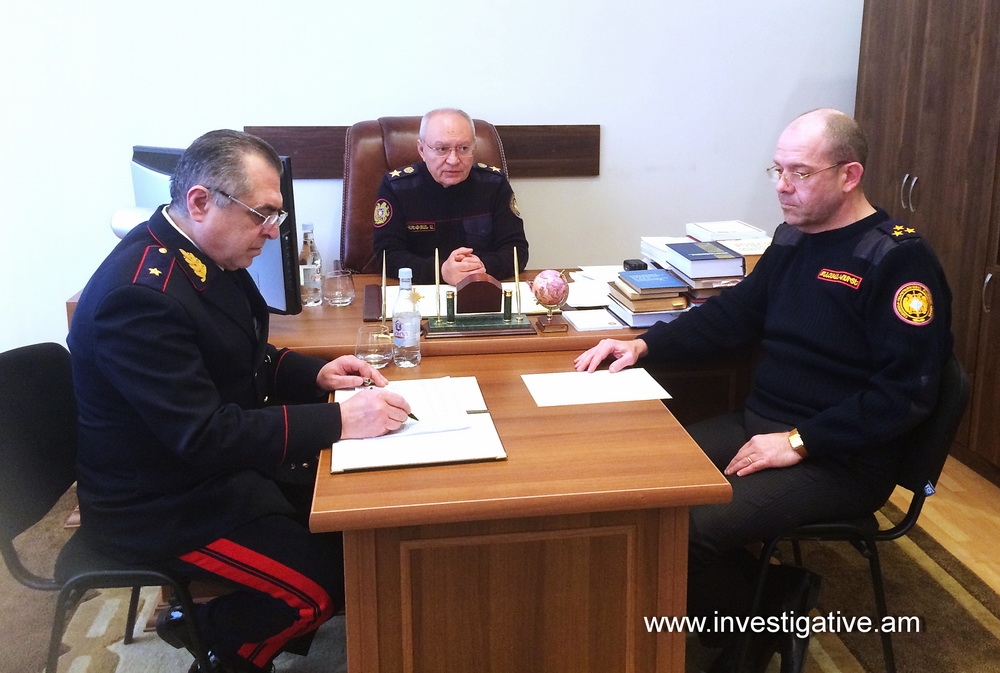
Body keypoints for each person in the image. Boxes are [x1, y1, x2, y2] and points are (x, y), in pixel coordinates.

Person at [574, 109, 953, 672]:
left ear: (849, 175)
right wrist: (645, 346)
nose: (782, 185)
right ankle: (766, 593)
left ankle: (769, 609)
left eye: (800, 172)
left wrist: (799, 441)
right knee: (636, 486)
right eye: (777, 169)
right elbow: (735, 314)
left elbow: (906, 393)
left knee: (683, 529)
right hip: (761, 424)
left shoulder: (898, 260)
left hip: (841, 457)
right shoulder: (794, 238)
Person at [67, 130, 412, 673]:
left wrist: (317, 373)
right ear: (201, 202)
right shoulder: (139, 297)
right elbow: (204, 435)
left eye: (276, 215)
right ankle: (217, 645)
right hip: (160, 503)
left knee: (363, 536)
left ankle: (210, 626)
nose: (273, 232)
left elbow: (244, 355)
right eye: (263, 214)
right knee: (323, 585)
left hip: (212, 473)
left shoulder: (202, 256)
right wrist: (340, 420)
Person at [372, 108, 529, 285]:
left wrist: (480, 268)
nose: (453, 160)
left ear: (474, 148)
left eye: (463, 148)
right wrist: (441, 271)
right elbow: (387, 255)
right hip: (420, 291)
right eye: (441, 149)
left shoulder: (494, 183)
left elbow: (517, 250)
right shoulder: (397, 187)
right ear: (422, 150)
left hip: (482, 286)